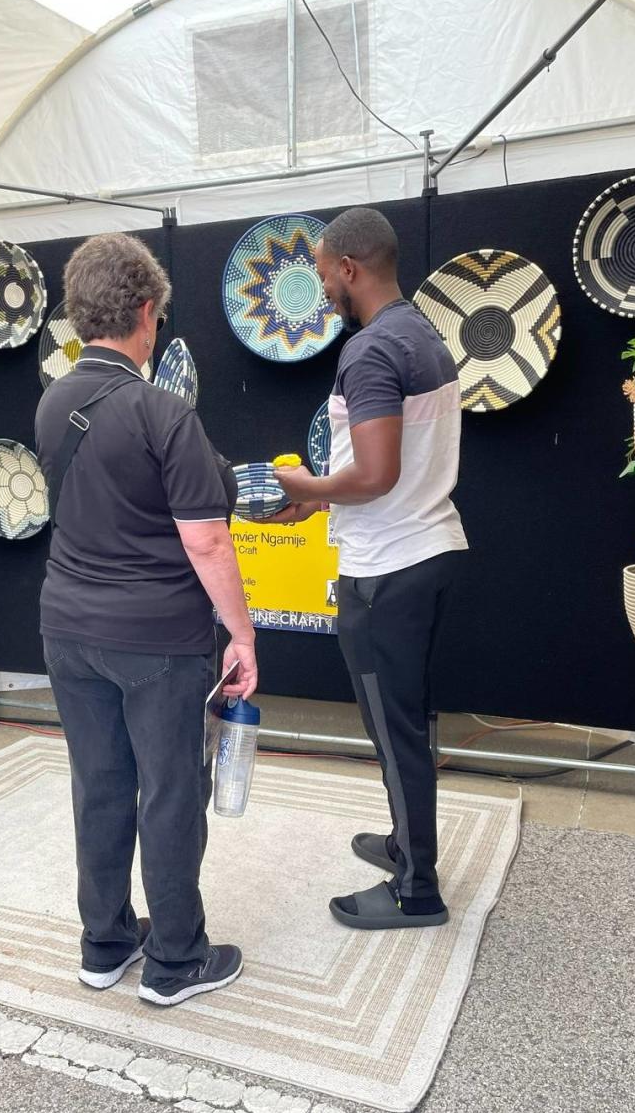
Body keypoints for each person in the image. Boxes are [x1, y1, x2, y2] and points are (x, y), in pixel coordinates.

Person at [35, 232, 257, 1006]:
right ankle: (174, 960)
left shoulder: (52, 402)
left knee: (98, 785)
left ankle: (104, 944)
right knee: (170, 791)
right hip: (159, 641)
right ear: (146, 311)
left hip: (66, 630)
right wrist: (243, 633)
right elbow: (206, 539)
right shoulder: (164, 412)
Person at [274, 207, 467, 930]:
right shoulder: (421, 334)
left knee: (396, 730)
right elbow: (397, 468)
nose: (322, 286)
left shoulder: (370, 350)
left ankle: (417, 890)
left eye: (323, 273)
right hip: (425, 550)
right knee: (407, 722)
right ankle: (404, 845)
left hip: (388, 569)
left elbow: (378, 474)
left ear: (349, 269)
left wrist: (305, 488)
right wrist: (322, 505)